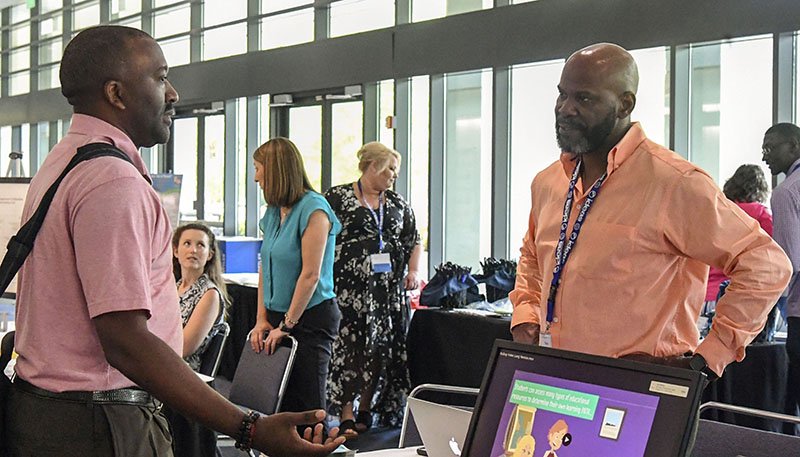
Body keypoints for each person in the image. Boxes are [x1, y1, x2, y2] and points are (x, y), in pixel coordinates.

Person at [5, 26, 343, 456]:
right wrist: (249, 428)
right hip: (100, 423)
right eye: (161, 77)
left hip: (55, 415)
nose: (174, 94)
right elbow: (126, 341)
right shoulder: (111, 180)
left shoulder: (62, 161)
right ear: (117, 93)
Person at [509, 42, 791, 381]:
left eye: (584, 98)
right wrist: (525, 314)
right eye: (562, 95)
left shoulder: (674, 183)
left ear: (624, 104)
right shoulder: (548, 183)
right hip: (556, 378)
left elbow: (767, 264)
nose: (565, 109)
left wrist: (707, 358)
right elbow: (532, 255)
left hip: (640, 392)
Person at [324, 142, 422, 437]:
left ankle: (366, 407)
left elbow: (414, 239)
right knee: (348, 349)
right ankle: (346, 412)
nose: (394, 175)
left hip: (385, 294)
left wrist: (414, 270)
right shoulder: (338, 197)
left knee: (379, 350)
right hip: (347, 291)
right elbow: (320, 234)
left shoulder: (397, 204)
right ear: (373, 166)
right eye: (391, 168)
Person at [248, 137, 342, 422]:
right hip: (279, 316)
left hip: (309, 318)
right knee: (278, 406)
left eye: (258, 168)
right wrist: (262, 318)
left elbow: (310, 275)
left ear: (275, 170)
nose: (256, 177)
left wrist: (287, 325)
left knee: (307, 408)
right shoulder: (273, 211)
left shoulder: (315, 209)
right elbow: (266, 265)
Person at [165, 222, 229, 457]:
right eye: (187, 244)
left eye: (200, 245)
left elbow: (183, 347)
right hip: (164, 366)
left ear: (210, 254)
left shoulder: (210, 294)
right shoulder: (172, 287)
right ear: (175, 251)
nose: (193, 250)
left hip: (186, 378)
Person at [761, 122, 800, 433]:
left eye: (770, 148)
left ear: (795, 146)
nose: (765, 157)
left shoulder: (786, 192)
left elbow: (787, 262)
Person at [704, 165, 773, 311]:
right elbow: (773, 258)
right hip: (737, 297)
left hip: (705, 293)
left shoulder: (718, 211)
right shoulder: (761, 215)